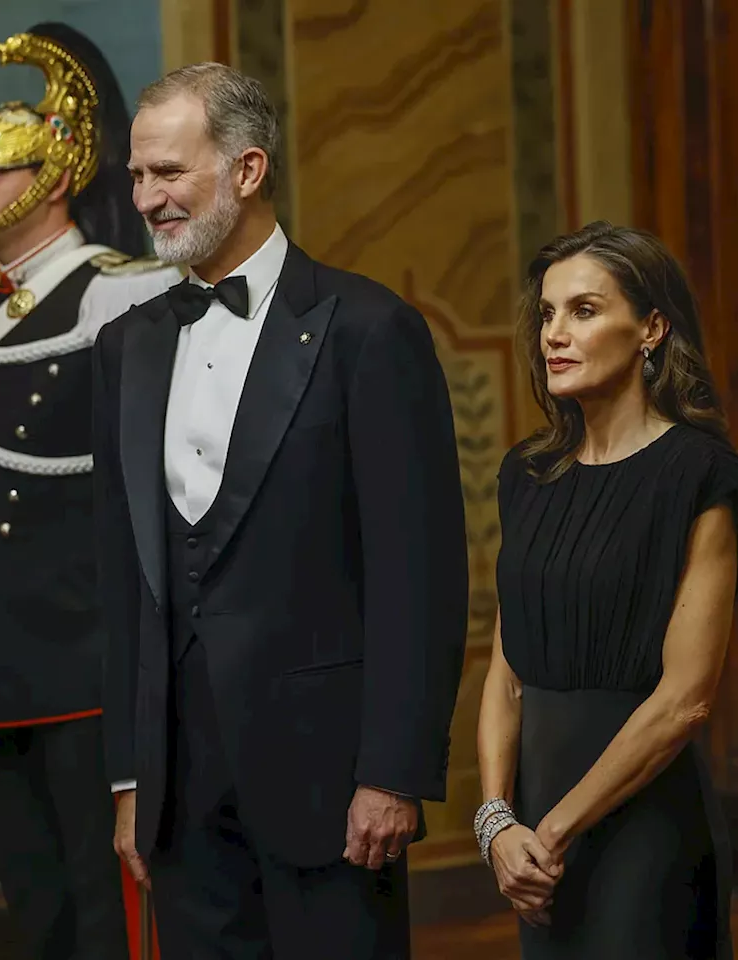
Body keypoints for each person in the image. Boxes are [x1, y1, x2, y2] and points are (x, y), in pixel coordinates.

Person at [92, 62, 469, 958]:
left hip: (329, 781)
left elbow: (419, 576)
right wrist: (129, 776)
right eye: (138, 175)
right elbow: (122, 580)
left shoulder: (370, 331)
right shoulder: (125, 347)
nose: (146, 198)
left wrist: (393, 772)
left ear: (248, 170)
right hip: (177, 791)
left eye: (169, 172)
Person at [475, 221, 738, 959]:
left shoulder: (701, 475)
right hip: (532, 834)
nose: (554, 335)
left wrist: (556, 829)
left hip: (643, 832)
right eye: (547, 313)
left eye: (585, 311)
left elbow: (685, 699)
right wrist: (497, 821)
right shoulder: (526, 475)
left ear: (652, 328)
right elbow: (507, 671)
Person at [0, 23, 179, 959]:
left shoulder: (124, 298)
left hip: (87, 658)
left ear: (52, 176)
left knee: (107, 908)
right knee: (33, 906)